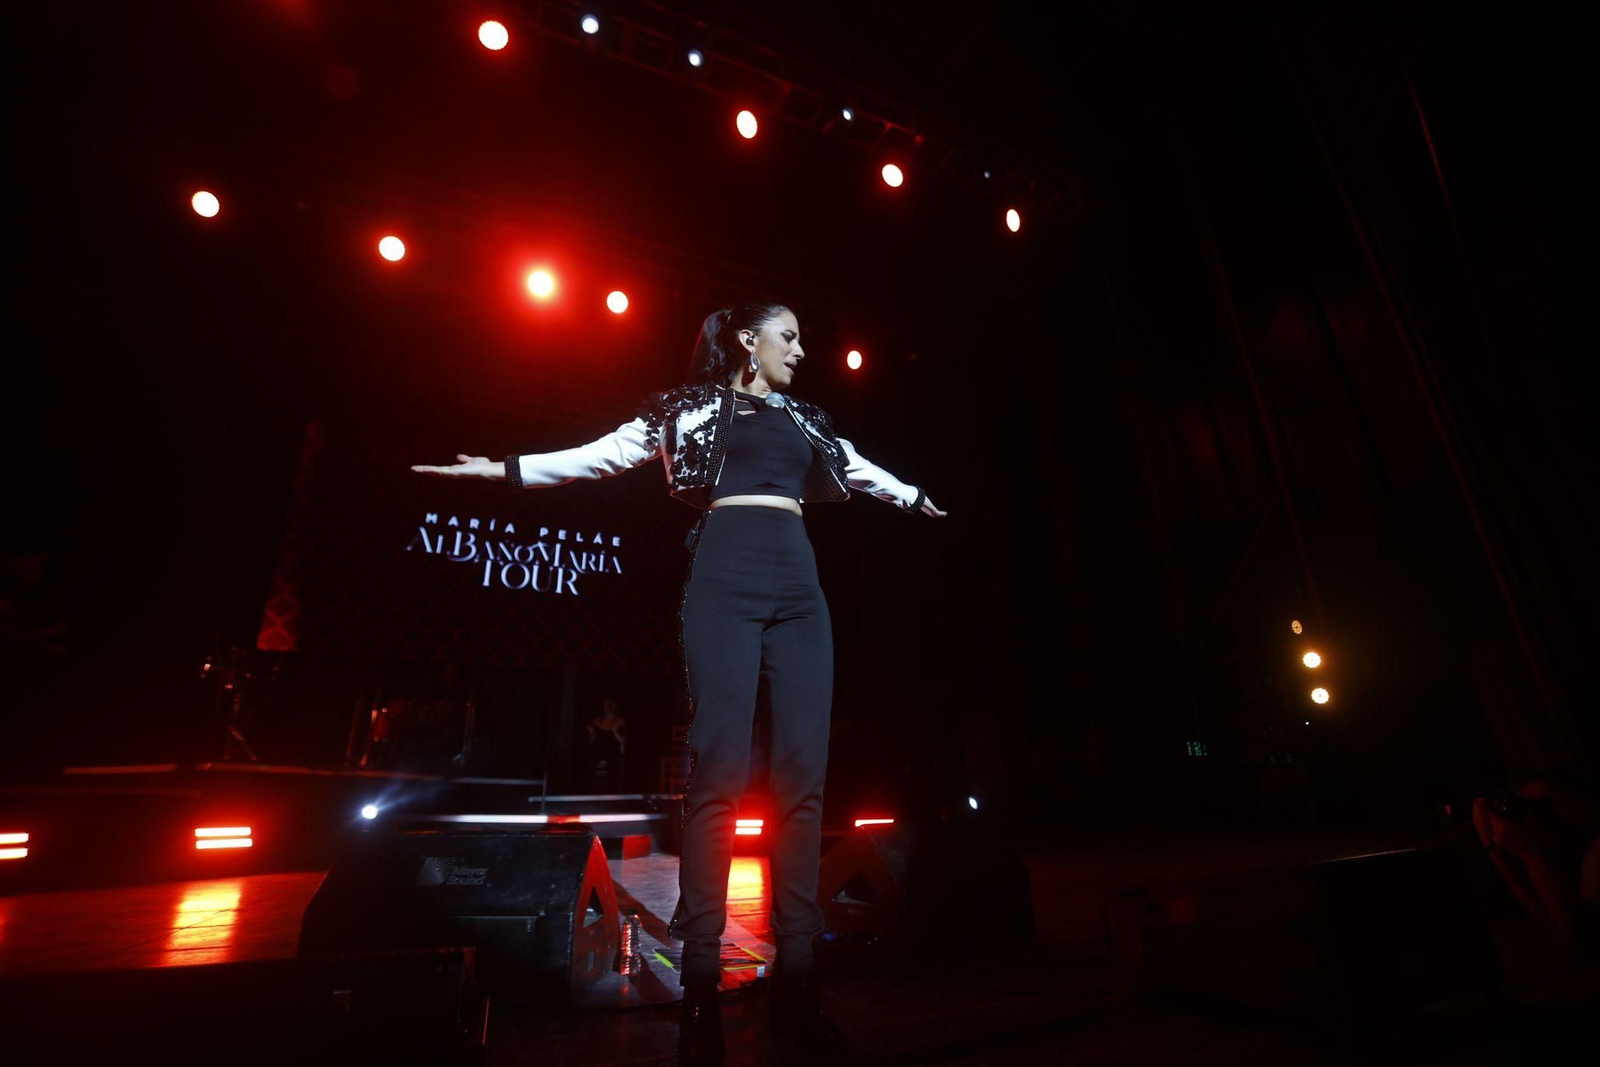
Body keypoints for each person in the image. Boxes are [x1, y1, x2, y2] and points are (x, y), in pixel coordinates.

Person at [413, 303, 946, 1064]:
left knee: (804, 778)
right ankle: (700, 987)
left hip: (800, 586)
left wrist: (914, 495)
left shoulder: (806, 418)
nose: (801, 349)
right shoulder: (687, 408)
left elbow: (860, 469)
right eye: (789, 335)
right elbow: (601, 455)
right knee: (718, 771)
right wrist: (504, 469)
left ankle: (798, 984)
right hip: (724, 576)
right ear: (748, 340)